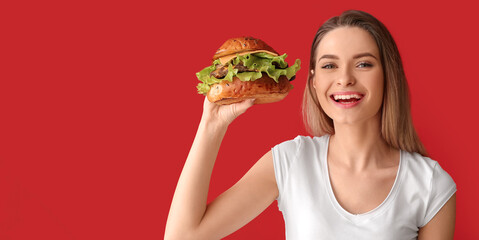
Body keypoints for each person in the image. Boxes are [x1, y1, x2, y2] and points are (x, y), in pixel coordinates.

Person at [165, 10, 457, 240]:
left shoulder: (431, 185)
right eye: (330, 66)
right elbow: (183, 236)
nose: (344, 79)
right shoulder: (291, 161)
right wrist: (211, 124)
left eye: (363, 64)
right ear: (314, 82)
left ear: (388, 75)